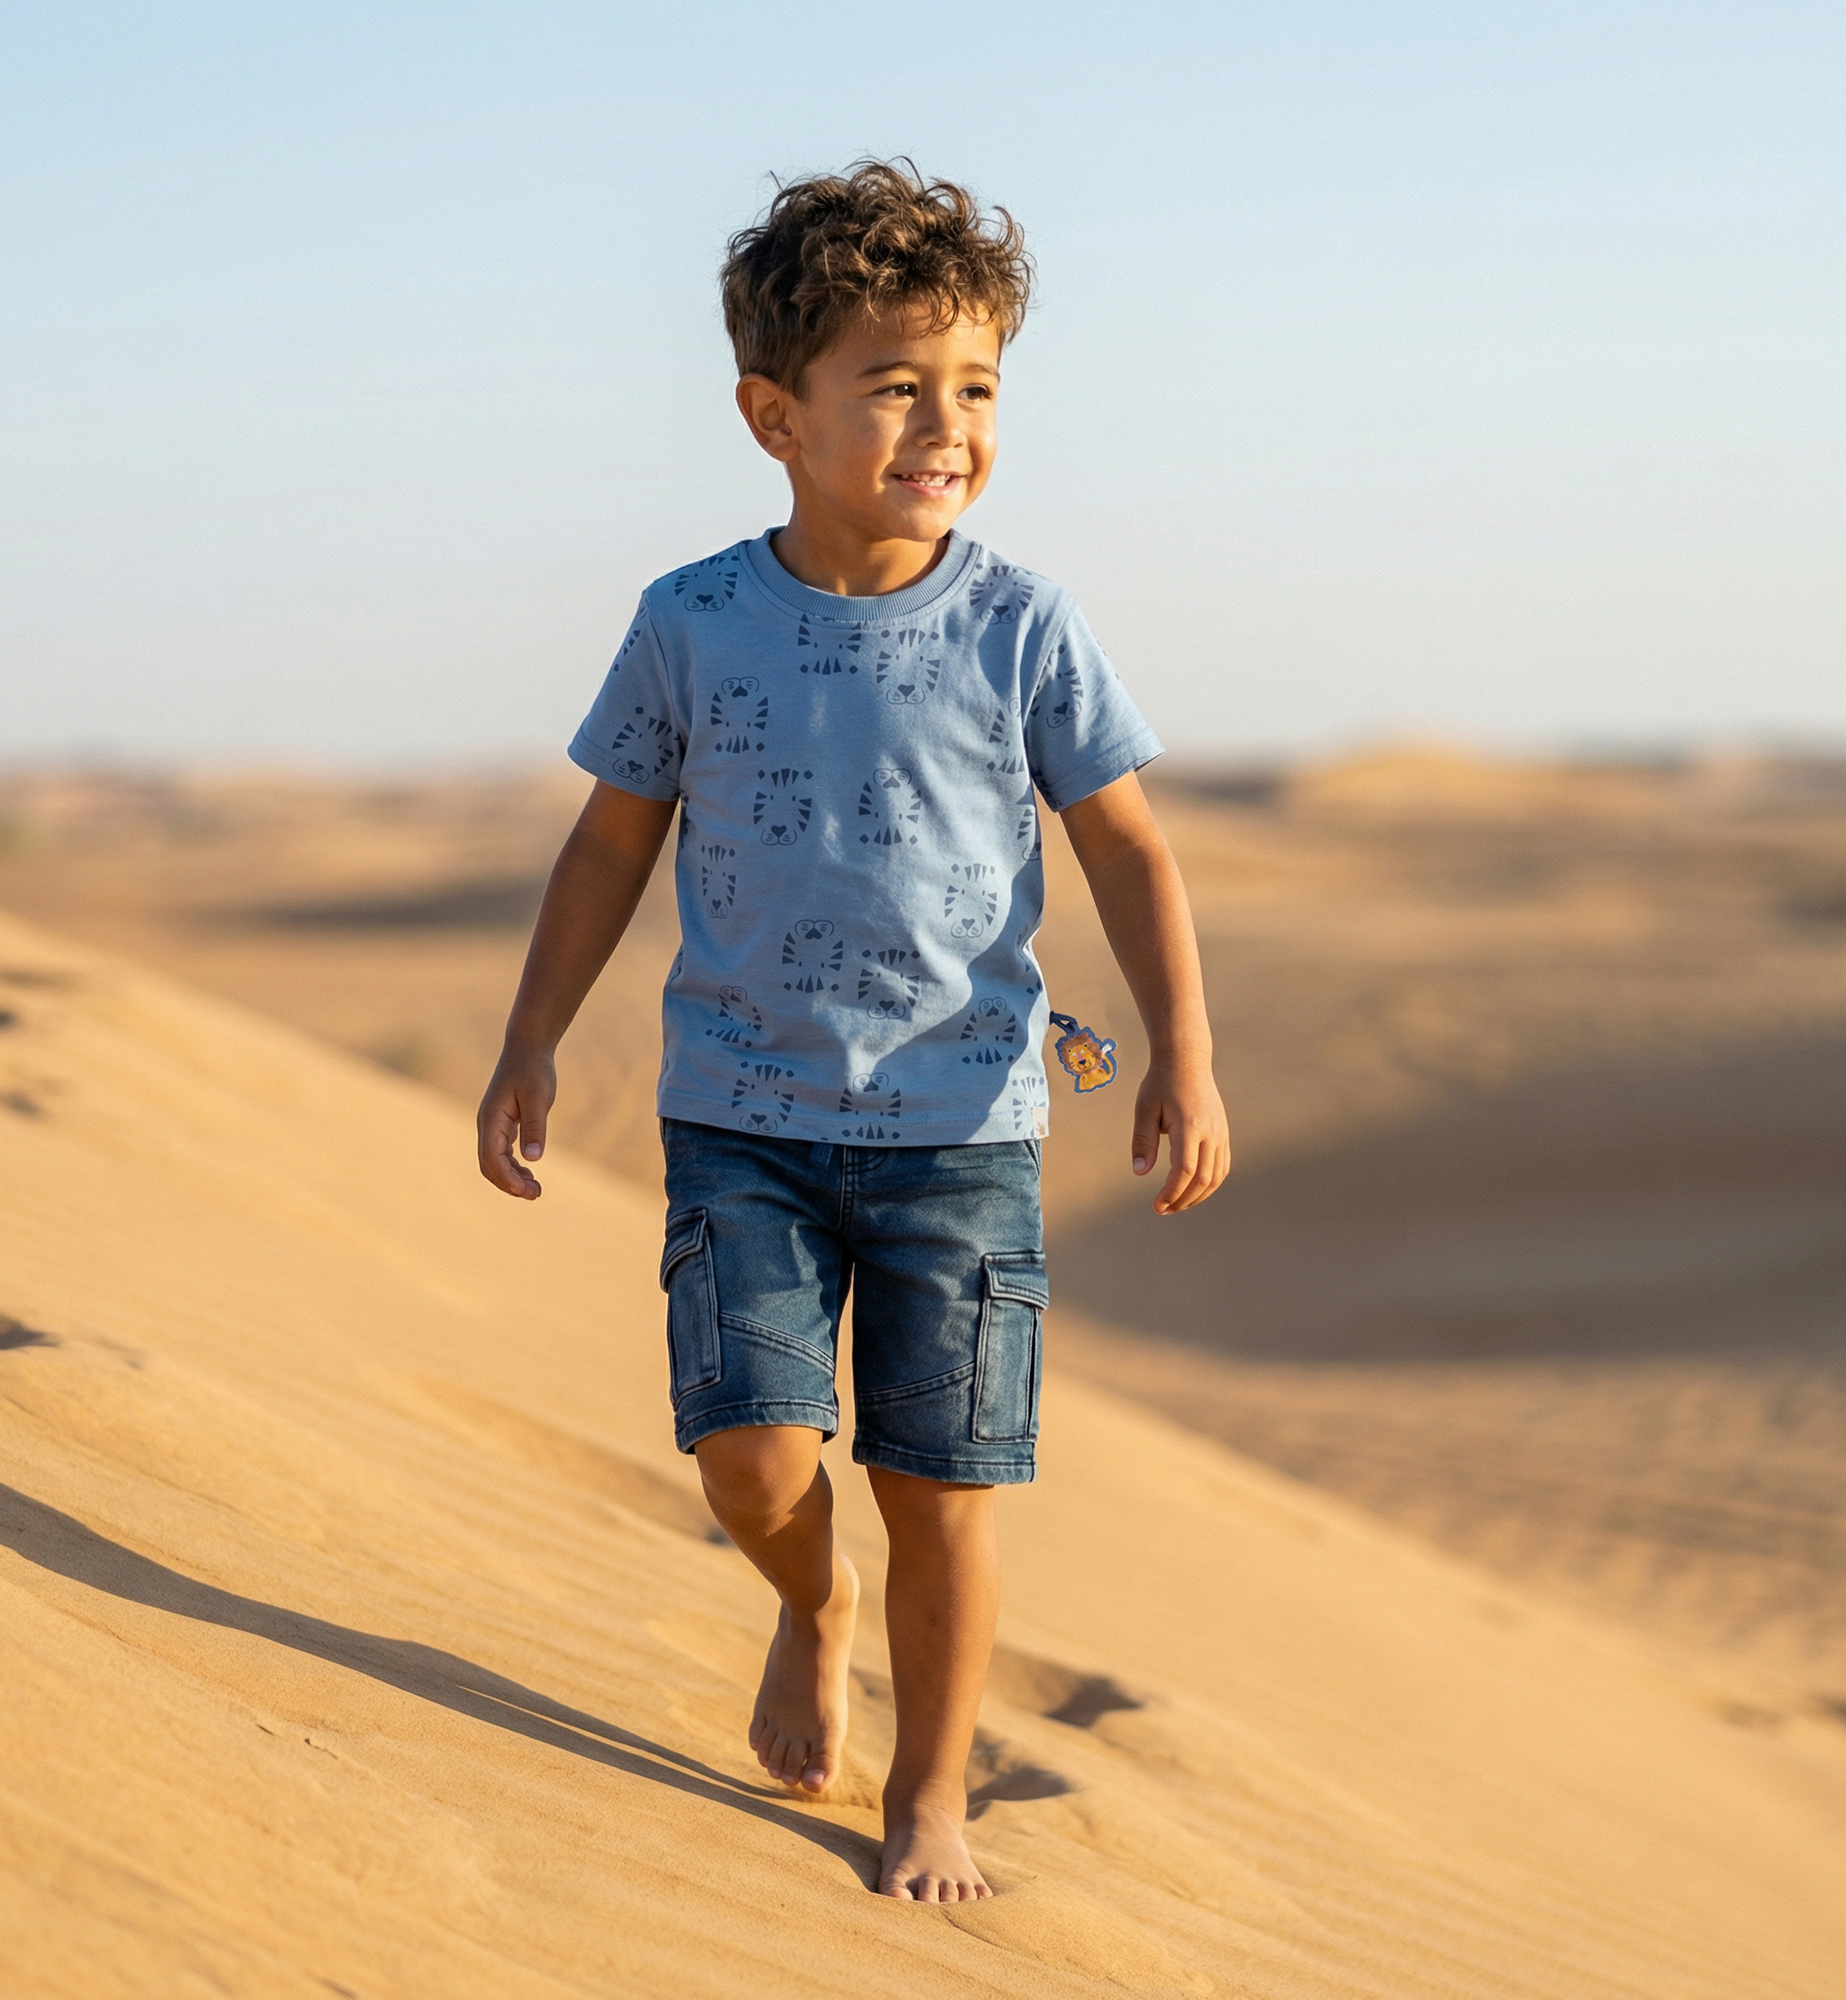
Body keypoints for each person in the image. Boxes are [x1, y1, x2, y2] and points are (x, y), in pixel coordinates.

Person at [477, 160, 1231, 1903]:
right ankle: (810, 1609)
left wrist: (1182, 1052)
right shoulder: (693, 621)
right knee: (752, 1457)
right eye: (894, 384)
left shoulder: (1024, 625)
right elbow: (609, 843)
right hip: (735, 1111)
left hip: (963, 1130)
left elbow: (1126, 843)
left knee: (941, 1494)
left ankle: (931, 1797)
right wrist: (532, 1038)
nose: (943, 424)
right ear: (774, 413)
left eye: (973, 387)